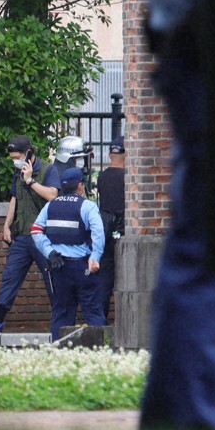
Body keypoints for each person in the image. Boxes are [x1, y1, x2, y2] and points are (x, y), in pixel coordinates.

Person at [126, 0, 215, 430]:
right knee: (207, 249)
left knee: (205, 241)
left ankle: (178, 429)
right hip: (210, 47)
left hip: (204, 44)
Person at [0, 135, 61, 333]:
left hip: (43, 237)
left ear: (29, 152)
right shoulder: (18, 172)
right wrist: (6, 225)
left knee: (52, 279)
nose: (15, 161)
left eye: (18, 156)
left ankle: (62, 321)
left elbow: (53, 195)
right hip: (22, 236)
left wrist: (30, 181)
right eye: (12, 158)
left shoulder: (47, 170)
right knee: (10, 276)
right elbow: (14, 199)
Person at [31, 167, 105, 340]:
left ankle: (59, 351)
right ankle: (100, 352)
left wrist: (50, 252)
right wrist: (95, 257)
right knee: (93, 312)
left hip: (59, 266)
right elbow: (98, 233)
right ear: (80, 186)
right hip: (84, 267)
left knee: (62, 314)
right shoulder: (88, 206)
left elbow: (35, 231)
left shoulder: (50, 205)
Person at [95, 136, 126, 324]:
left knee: (105, 277)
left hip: (105, 230)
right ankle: (122, 319)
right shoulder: (128, 178)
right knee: (124, 276)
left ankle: (100, 318)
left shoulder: (102, 177)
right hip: (123, 231)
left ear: (109, 154)